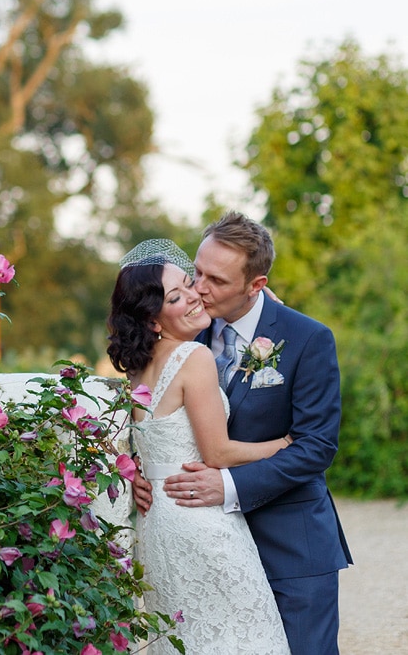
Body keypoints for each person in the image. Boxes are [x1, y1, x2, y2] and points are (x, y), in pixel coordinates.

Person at [133, 213, 352, 655]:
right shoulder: (186, 327)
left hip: (291, 544)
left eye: (215, 279)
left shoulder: (307, 339)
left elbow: (316, 446)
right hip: (204, 549)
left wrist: (228, 485)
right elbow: (152, 413)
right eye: (196, 272)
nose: (198, 288)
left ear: (256, 285)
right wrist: (140, 471)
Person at [109, 238, 291, 653]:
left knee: (184, 638)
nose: (195, 296)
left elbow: (146, 442)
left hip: (158, 524)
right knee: (246, 635)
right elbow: (218, 455)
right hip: (201, 519)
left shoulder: (138, 369)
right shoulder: (194, 356)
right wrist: (283, 444)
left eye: (189, 284)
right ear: (154, 320)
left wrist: (137, 469)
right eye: (177, 296)